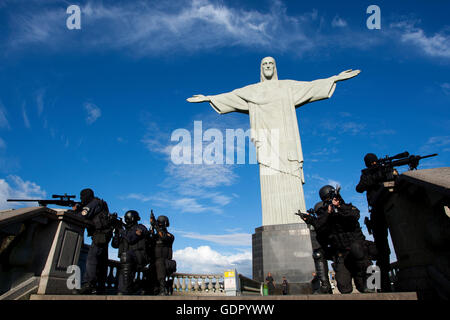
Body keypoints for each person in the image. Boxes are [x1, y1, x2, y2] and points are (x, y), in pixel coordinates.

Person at [317, 185, 373, 294]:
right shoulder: (326, 213)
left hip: (357, 253)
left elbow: (355, 215)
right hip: (341, 255)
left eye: (332, 199)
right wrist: (328, 213)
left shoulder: (348, 208)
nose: (330, 202)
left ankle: (371, 278)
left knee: (357, 248)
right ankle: (326, 286)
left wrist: (339, 207)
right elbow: (319, 226)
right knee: (344, 288)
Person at [356, 153, 392, 292]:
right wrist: (375, 178)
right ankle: (380, 284)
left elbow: (394, 181)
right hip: (377, 211)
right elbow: (359, 188)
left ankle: (381, 284)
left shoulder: (385, 170)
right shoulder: (367, 175)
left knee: (384, 251)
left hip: (390, 206)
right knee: (382, 250)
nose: (374, 164)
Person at [73, 188, 112, 294]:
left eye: (82, 197)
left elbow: (81, 216)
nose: (81, 199)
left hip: (100, 234)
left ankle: (89, 284)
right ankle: (100, 286)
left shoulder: (93, 203)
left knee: (92, 258)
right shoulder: (100, 203)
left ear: (87, 196)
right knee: (102, 260)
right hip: (105, 234)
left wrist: (76, 210)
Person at [298, 201, 333, 294]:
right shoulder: (318, 221)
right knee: (318, 255)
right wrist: (308, 219)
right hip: (324, 246)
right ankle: (325, 285)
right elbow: (317, 224)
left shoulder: (335, 216)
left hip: (338, 246)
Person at [111, 210, 148, 295]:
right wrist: (116, 234)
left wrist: (121, 230)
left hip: (139, 256)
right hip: (126, 259)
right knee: (123, 276)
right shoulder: (125, 231)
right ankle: (126, 289)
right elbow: (115, 245)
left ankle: (125, 290)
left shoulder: (140, 228)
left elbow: (131, 238)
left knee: (126, 257)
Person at [151, 215, 175, 296]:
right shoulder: (155, 236)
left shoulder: (170, 236)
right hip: (155, 259)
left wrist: (156, 226)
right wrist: (152, 229)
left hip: (165, 261)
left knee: (160, 264)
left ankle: (163, 289)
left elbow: (164, 237)